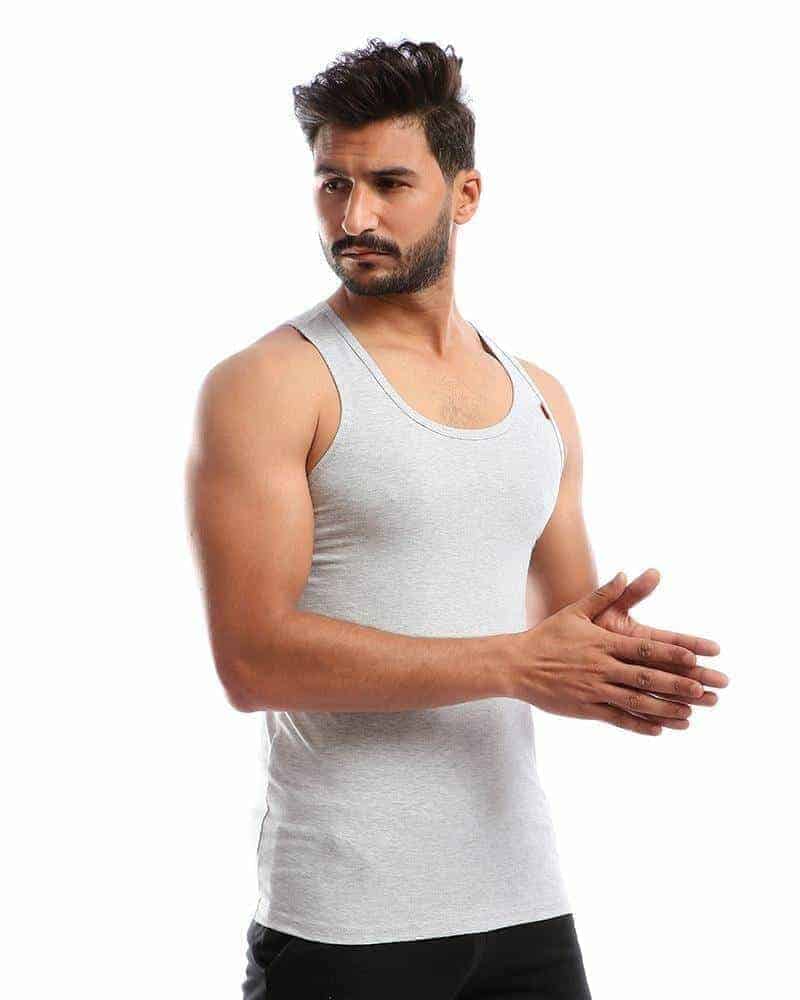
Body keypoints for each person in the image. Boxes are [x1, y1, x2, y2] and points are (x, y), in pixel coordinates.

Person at [185, 37, 728, 1000]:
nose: (354, 217)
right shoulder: (269, 384)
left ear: (465, 194)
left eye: (390, 183)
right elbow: (253, 661)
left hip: (522, 899)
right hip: (347, 917)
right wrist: (516, 663)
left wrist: (626, 664)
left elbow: (566, 627)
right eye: (333, 185)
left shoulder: (541, 399)